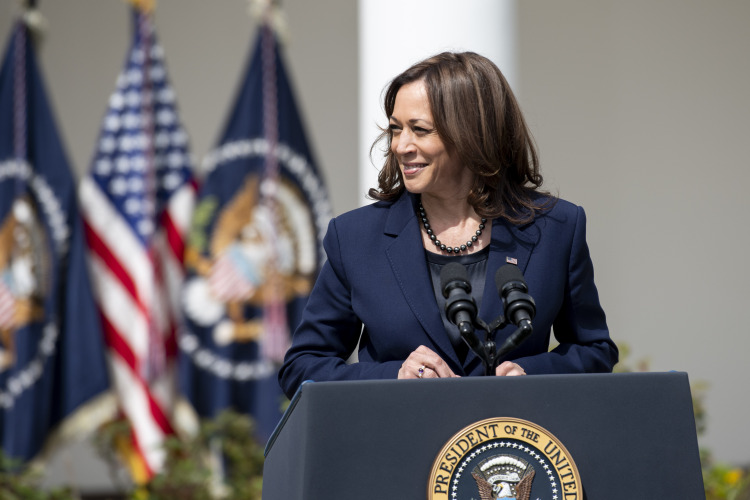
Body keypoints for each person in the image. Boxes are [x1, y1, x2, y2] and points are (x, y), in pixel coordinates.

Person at [278, 51, 618, 399]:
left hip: (510, 445)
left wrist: (531, 374)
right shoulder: (353, 238)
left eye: (420, 130)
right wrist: (394, 375)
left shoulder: (556, 227)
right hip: (397, 446)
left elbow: (594, 351)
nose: (401, 146)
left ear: (471, 133)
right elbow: (302, 368)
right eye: (396, 129)